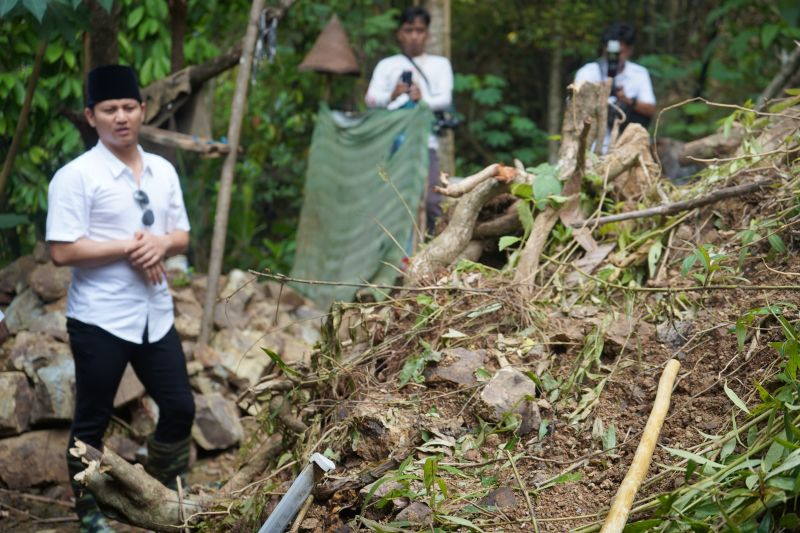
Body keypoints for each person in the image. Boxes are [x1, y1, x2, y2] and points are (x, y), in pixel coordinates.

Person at [46, 64, 195, 533]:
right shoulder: (76, 176)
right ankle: (90, 512)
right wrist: (131, 245)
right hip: (99, 319)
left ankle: (156, 490)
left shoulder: (163, 170)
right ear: (92, 116)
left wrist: (160, 244)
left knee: (180, 408)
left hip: (155, 311)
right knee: (91, 422)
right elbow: (62, 250)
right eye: (110, 109)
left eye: (129, 107)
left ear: (143, 110)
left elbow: (182, 235)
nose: (121, 117)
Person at [365, 6, 454, 233]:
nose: (414, 35)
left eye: (419, 30)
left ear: (427, 34)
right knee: (390, 199)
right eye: (409, 30)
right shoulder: (387, 65)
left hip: (426, 143)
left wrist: (422, 99)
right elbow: (370, 99)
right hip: (392, 143)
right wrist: (392, 94)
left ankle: (434, 254)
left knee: (433, 201)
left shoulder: (440, 64)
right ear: (400, 33)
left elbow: (444, 99)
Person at [575, 22, 656, 150]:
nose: (614, 58)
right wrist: (593, 93)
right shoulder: (588, 72)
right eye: (611, 53)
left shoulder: (639, 74)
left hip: (625, 144)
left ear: (630, 50)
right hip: (591, 144)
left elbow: (650, 109)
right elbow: (573, 107)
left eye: (620, 53)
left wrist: (627, 100)